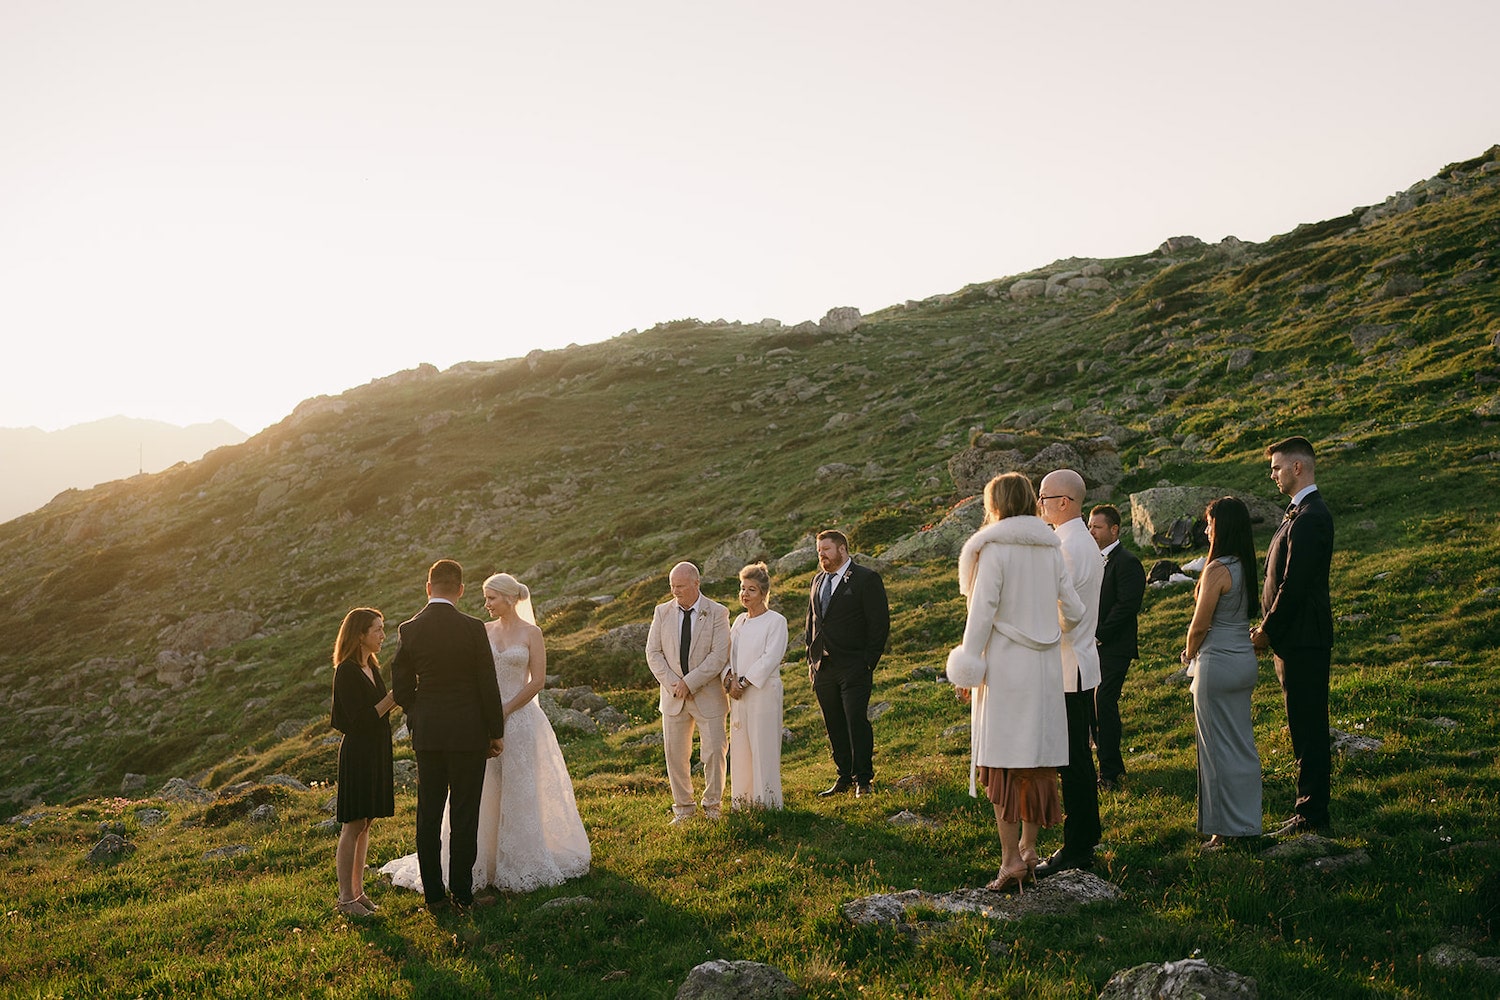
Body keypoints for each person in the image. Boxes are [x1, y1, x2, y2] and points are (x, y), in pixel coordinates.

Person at [382, 573, 590, 893]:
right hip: (475, 724)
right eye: (484, 597)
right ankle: (480, 867)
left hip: (517, 719)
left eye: (492, 598)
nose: (486, 604)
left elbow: (536, 681)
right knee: (479, 799)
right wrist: (491, 718)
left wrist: (505, 710)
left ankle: (517, 859)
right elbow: (475, 677)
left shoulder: (531, 633)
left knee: (518, 792)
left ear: (510, 598)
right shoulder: (479, 629)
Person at [947, 472, 1085, 892]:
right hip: (1043, 670)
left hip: (1006, 668)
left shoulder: (994, 550)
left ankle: (1010, 862)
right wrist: (1047, 626)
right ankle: (1028, 849)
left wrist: (968, 665)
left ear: (994, 506)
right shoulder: (1050, 549)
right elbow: (1075, 611)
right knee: (1035, 762)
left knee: (1005, 763)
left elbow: (982, 613)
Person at [387, 559, 505, 914]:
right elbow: (487, 683)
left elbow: (401, 685)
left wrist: (417, 712)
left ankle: (434, 897)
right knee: (465, 814)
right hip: (469, 733)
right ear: (460, 590)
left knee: (428, 813)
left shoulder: (410, 629)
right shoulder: (472, 628)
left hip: (430, 734)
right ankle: (463, 895)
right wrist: (495, 732)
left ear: (428, 588)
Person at [1253, 436, 1335, 836]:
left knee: (1309, 727)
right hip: (1295, 638)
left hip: (1304, 638)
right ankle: (1307, 808)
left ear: (1298, 467)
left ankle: (1312, 814)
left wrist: (1267, 630)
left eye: (1277, 467)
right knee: (1301, 725)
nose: (1273, 474)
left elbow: (1294, 583)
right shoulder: (1297, 514)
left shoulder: (1312, 516)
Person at [1181, 497, 1264, 849]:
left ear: (1222, 526)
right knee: (1241, 745)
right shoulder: (1245, 565)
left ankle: (1223, 831)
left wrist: (1188, 652)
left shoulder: (1217, 570)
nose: (1206, 528)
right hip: (1243, 661)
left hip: (1217, 664)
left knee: (1215, 750)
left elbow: (1200, 625)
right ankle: (1247, 822)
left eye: (1210, 522)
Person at [1033, 469, 1103, 878]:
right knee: (1075, 758)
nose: (1039, 503)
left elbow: (1061, 614)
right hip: (1074, 662)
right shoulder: (1074, 541)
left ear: (1064, 502)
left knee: (1072, 760)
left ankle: (1078, 845)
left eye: (1044, 497)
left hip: (1065, 665)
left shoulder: (1068, 547)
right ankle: (1085, 835)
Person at [806, 529, 891, 798]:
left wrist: (868, 661)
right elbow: (812, 621)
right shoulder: (817, 581)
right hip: (824, 668)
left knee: (856, 721)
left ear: (842, 549)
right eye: (819, 551)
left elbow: (879, 624)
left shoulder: (866, 578)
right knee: (834, 723)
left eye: (826, 550)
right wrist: (812, 658)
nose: (822, 556)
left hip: (855, 665)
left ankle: (863, 779)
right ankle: (843, 776)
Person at [645, 561, 732, 824]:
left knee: (715, 752)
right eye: (672, 586)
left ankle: (712, 805)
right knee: (675, 755)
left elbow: (719, 656)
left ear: (696, 583)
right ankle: (683, 808)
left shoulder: (717, 612)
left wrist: (690, 682)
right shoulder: (662, 612)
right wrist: (675, 684)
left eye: (680, 586)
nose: (675, 591)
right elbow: (653, 653)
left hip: (708, 695)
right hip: (673, 697)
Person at [330, 607, 396, 917]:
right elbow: (358, 721)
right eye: (377, 630)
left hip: (376, 750)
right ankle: (345, 899)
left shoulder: (371, 667)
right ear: (360, 635)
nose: (383, 635)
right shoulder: (346, 671)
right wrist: (393, 698)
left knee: (366, 823)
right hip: (358, 752)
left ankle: (358, 892)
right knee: (353, 823)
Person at [1088, 504, 1146, 791]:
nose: (1091, 531)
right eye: (1090, 526)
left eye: (1097, 527)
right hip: (1091, 648)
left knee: (1103, 703)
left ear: (1114, 530)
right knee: (1092, 706)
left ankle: (1109, 774)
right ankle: (1111, 766)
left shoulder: (1127, 562)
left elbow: (1127, 606)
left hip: (1114, 647)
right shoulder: (1092, 560)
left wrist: (1099, 634)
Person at [725, 562, 789, 809]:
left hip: (762, 692)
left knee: (763, 747)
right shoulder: (739, 621)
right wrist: (729, 679)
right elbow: (728, 654)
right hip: (738, 695)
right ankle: (743, 802)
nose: (745, 594)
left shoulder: (776, 621)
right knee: (741, 748)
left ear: (763, 593)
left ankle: (769, 803)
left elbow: (771, 657)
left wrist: (744, 681)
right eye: (742, 588)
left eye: (751, 589)